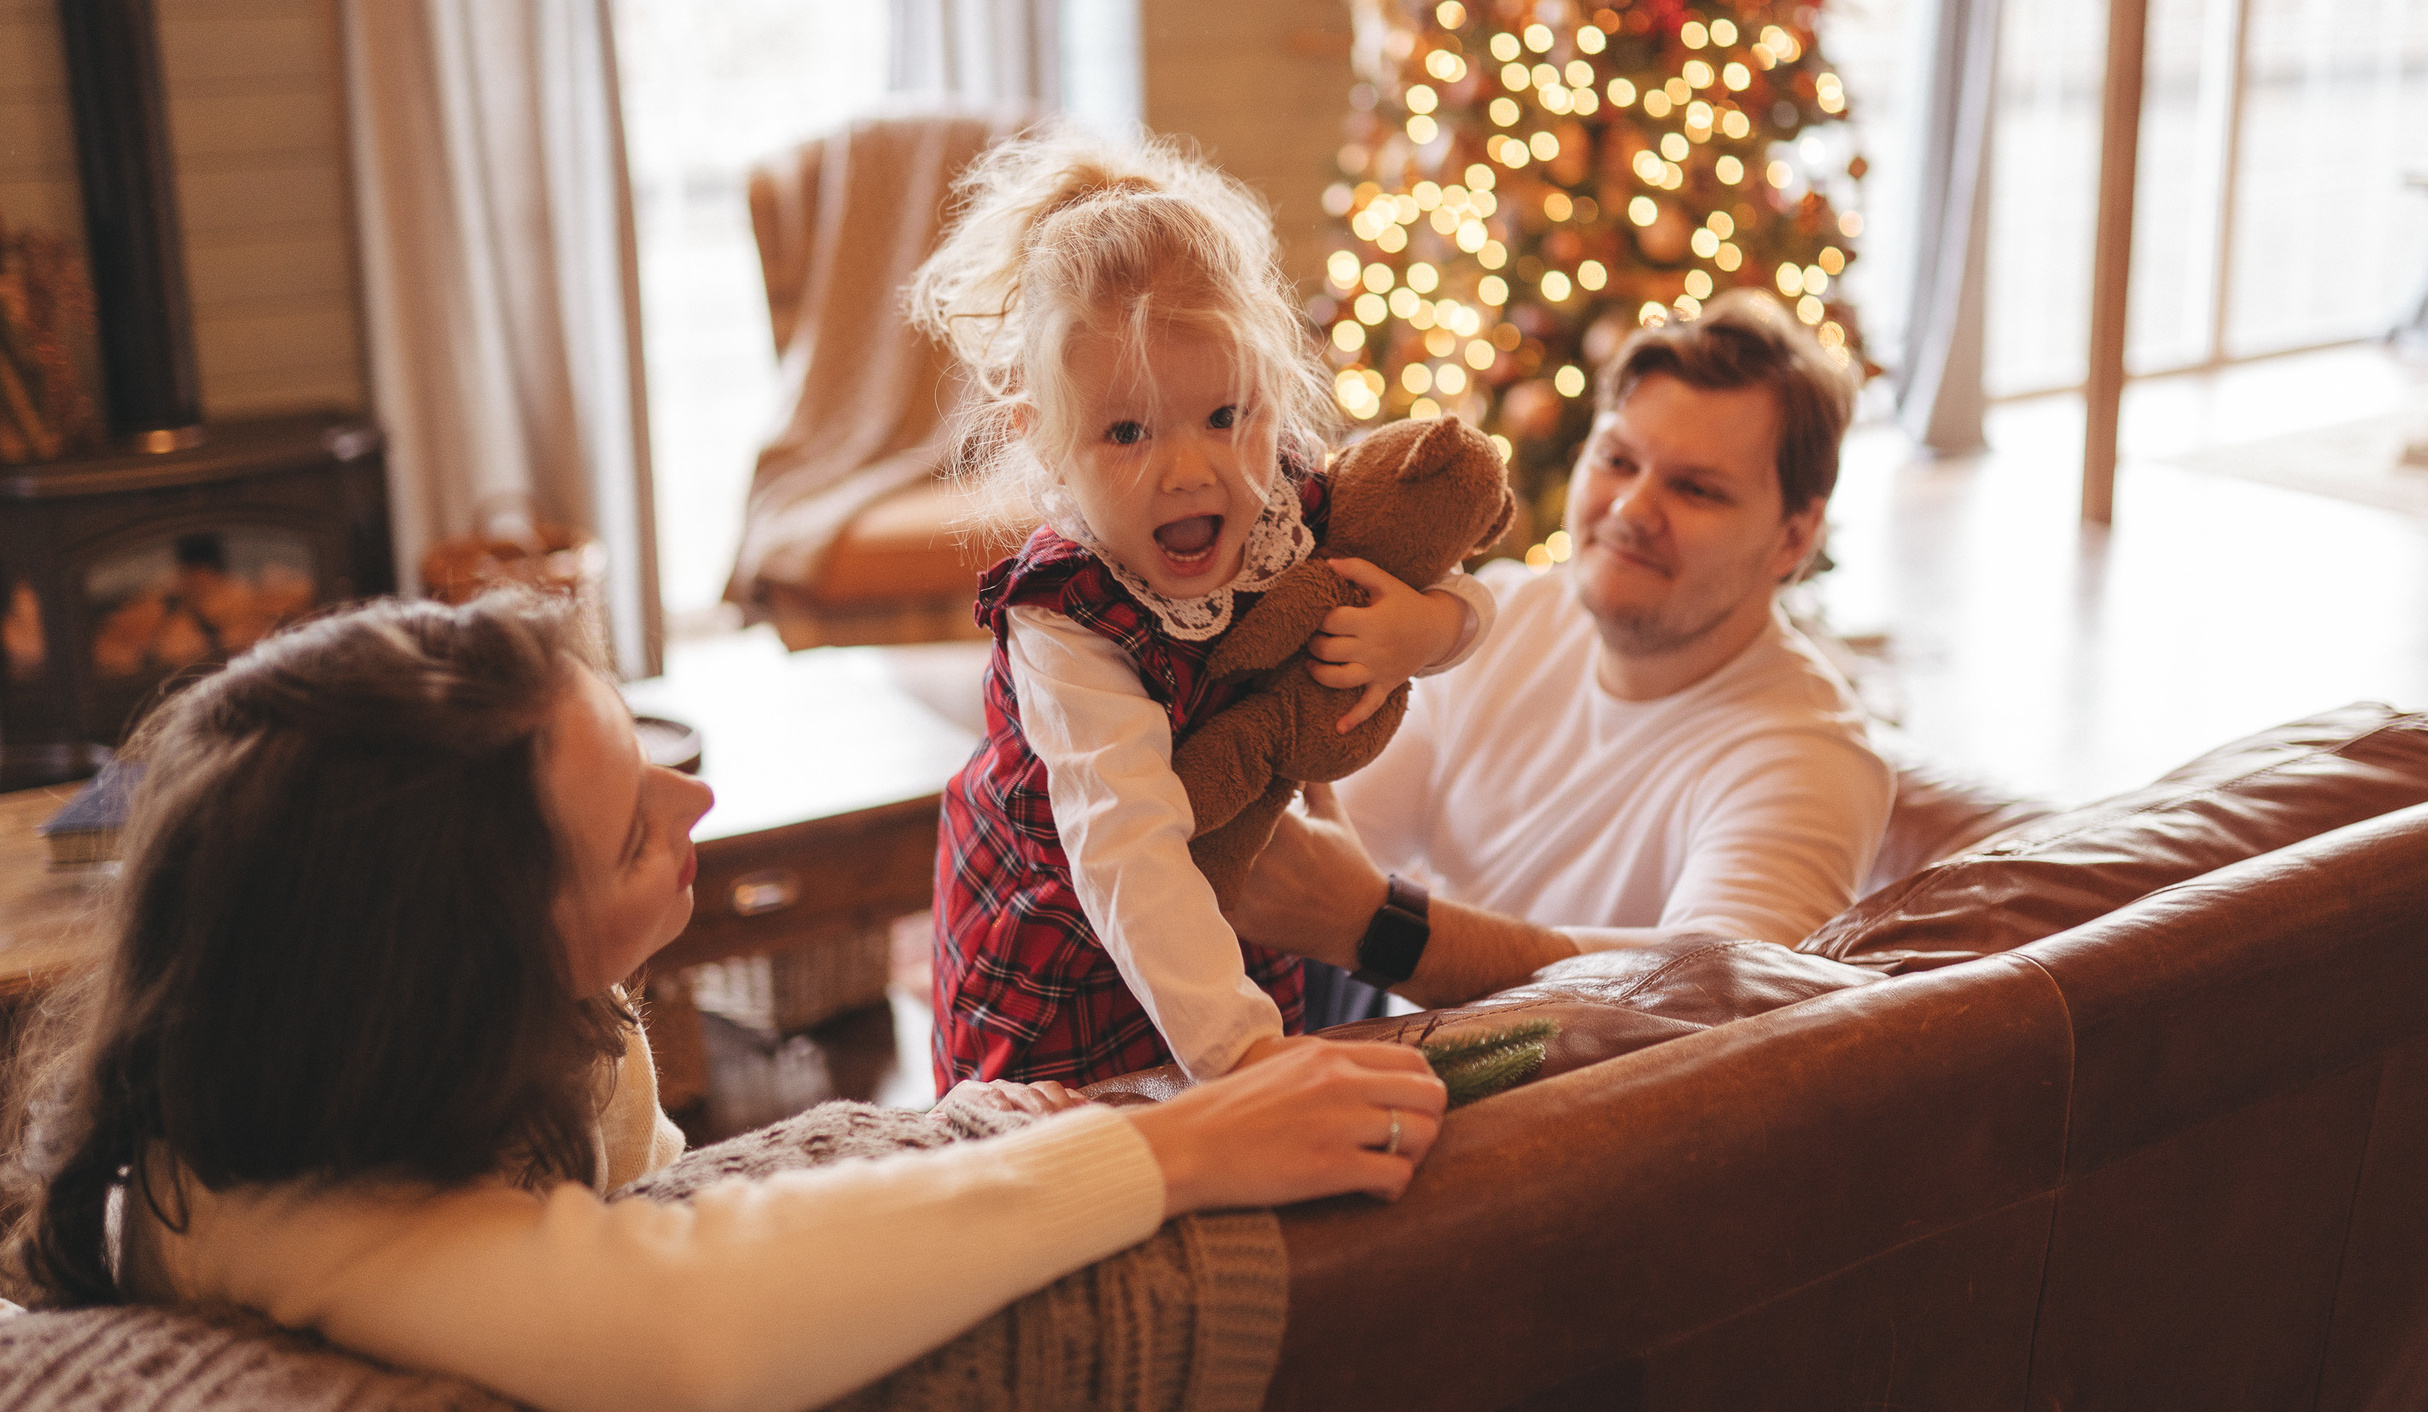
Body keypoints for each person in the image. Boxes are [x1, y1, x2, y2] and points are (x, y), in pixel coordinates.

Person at [1, 594, 1447, 1412]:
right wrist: (1181, 1149)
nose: (699, 802)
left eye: (655, 755)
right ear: (465, 982)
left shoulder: (519, 1033)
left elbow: (655, 1203)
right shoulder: (276, 1199)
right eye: (635, 827)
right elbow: (693, 1323)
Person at [907, 126, 1495, 1089]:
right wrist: (1251, 1063)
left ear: (1273, 392)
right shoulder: (1066, 619)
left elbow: (1455, 578)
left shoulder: (1288, 504)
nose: (1190, 472)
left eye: (1227, 416)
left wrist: (1431, 630)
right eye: (1127, 433)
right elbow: (1126, 849)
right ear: (1046, 443)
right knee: (1090, 1170)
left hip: (1227, 911)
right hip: (1072, 950)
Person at [1230, 293, 1892, 1017]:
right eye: (1617, 459)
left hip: (1531, 1100)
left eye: (1696, 489)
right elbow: (1342, 840)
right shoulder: (1501, 618)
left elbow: (1717, 1002)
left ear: (1795, 539)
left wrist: (1377, 927)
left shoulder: (1811, 755)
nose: (1632, 510)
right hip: (1378, 1017)